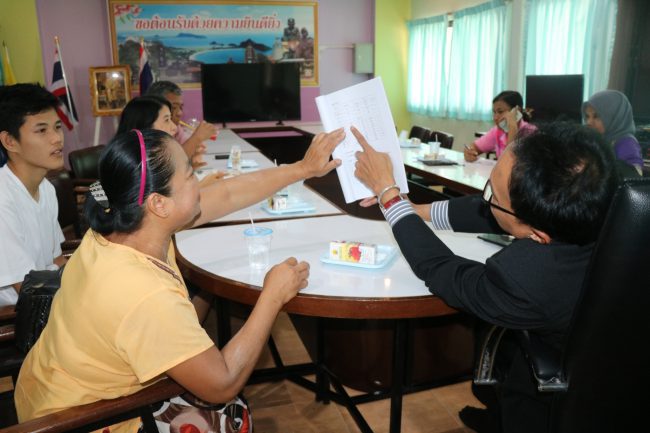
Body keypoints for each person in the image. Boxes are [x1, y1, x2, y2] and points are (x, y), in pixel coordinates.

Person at [14, 127, 345, 432]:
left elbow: (227, 194)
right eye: (189, 175)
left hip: (46, 389)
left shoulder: (120, 227)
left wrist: (302, 169)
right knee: (233, 413)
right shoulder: (144, 293)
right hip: (75, 420)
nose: (199, 183)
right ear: (159, 203)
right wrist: (272, 296)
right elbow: (223, 383)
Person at [353, 122, 618, 433]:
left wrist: (389, 196)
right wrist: (415, 210)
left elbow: (442, 270)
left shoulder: (526, 280)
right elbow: (491, 210)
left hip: (585, 387)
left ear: (537, 235)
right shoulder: (605, 195)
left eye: (493, 194)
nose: (485, 197)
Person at [0, 83, 66, 306]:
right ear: (10, 141)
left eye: (57, 127)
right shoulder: (3, 198)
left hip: (49, 298)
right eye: (42, 130)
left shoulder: (46, 188)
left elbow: (57, 259)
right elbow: (28, 290)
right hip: (16, 316)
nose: (57, 138)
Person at [116, 95, 211, 172]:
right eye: (166, 120)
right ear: (145, 125)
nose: (174, 127)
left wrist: (189, 170)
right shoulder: (142, 164)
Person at [146, 80, 217, 166]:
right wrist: (196, 138)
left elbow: (183, 154)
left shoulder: (176, 128)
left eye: (181, 107)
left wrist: (194, 153)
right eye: (174, 107)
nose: (180, 113)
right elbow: (170, 164)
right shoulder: (149, 133)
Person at [583, 89, 643, 175]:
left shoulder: (626, 143)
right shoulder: (599, 139)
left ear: (615, 117)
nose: (589, 122)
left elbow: (635, 174)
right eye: (587, 116)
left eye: (596, 116)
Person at [464, 91, 536, 162]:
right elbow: (475, 147)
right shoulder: (498, 131)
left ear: (517, 112)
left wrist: (512, 127)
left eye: (500, 112)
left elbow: (510, 161)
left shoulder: (531, 133)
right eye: (494, 112)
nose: (495, 117)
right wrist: (469, 152)